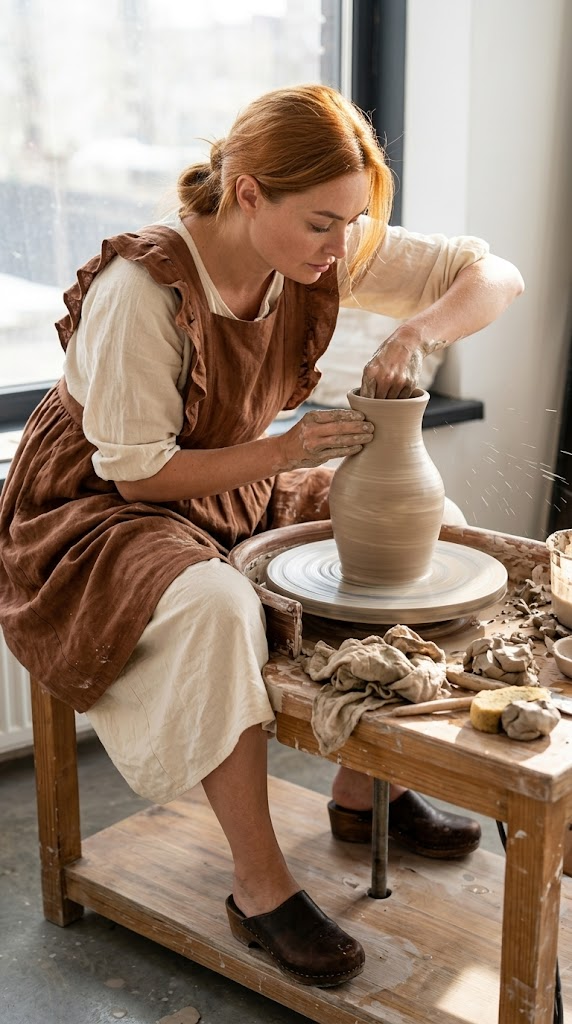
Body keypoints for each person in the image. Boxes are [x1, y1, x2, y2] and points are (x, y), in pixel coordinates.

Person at [0, 84, 524, 987]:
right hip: (92, 508)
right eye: (324, 224)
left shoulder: (317, 247)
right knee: (216, 603)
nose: (341, 246)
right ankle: (259, 885)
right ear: (248, 194)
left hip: (230, 479)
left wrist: (420, 330)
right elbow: (136, 471)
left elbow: (495, 274)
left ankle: (370, 797)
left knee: (437, 528)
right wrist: (282, 450)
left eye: (353, 223)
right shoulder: (145, 288)